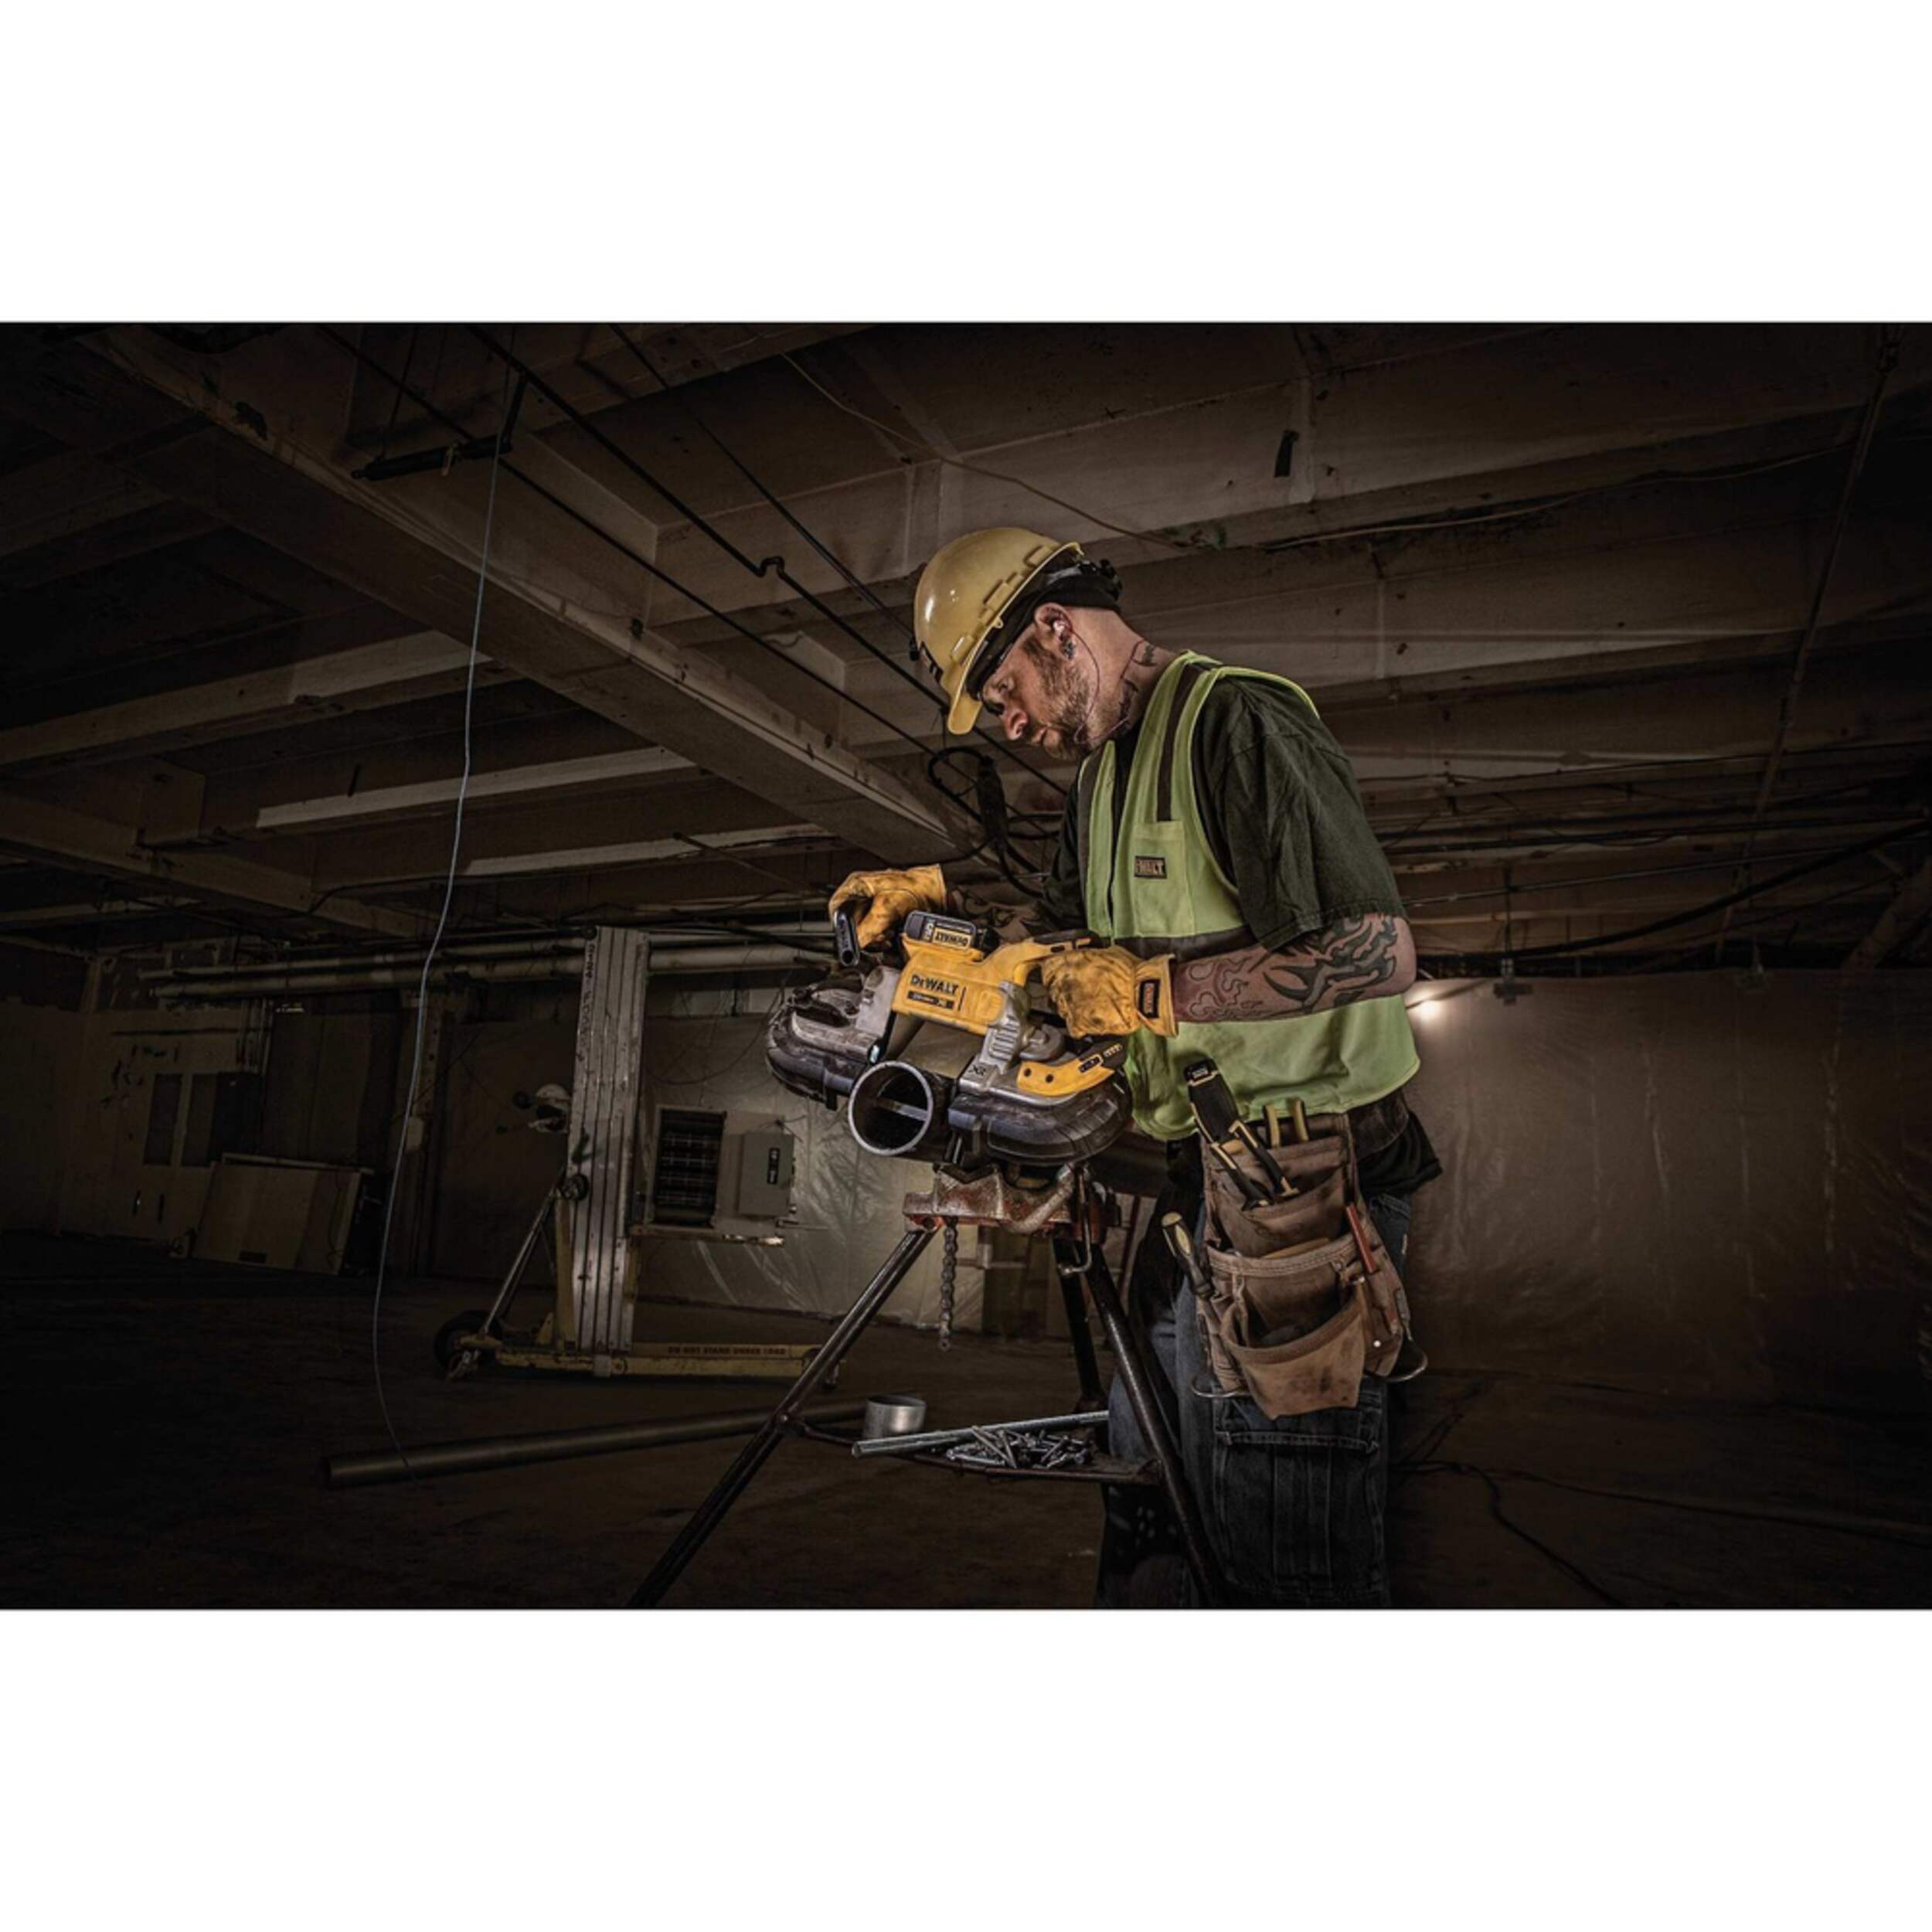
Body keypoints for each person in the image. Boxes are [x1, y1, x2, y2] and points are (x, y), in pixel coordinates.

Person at [830, 526, 1440, 1607]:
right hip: (1198, 1174)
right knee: (1157, 1484)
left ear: (1054, 629)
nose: (1009, 722)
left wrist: (1158, 994)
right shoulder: (1102, 777)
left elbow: (1376, 951)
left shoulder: (1235, 720)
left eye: (1002, 690)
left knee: (1280, 1525)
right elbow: (1063, 951)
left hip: (1306, 1178)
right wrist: (940, 922)